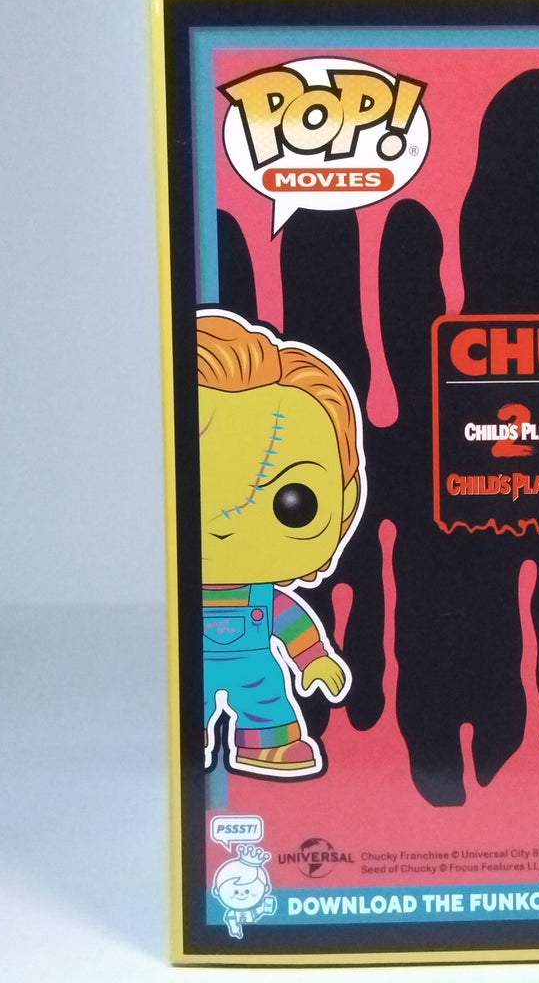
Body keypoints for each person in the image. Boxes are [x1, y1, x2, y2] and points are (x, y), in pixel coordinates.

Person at [198, 310, 365, 777]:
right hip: (188, 673)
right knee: (185, 710)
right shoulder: (170, 598)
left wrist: (314, 660)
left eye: (295, 504)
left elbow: (292, 624)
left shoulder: (266, 597)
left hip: (257, 667)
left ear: (346, 500)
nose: (224, 527)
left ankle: (269, 747)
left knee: (269, 703)